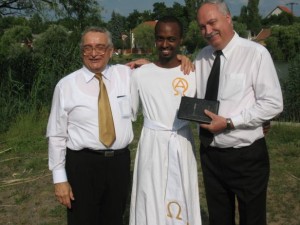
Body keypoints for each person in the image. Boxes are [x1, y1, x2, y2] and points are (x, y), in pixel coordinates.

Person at [195, 1, 283, 225]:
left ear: (228, 18)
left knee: (252, 220)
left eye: (212, 22)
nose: (207, 31)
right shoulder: (201, 57)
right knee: (219, 219)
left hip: (246, 157)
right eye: (202, 26)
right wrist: (152, 65)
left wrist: (231, 122)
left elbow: (273, 103)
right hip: (210, 155)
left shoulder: (255, 53)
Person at [46, 27, 133, 225]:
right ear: (81, 52)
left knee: (114, 218)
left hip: (119, 163)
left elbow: (160, 71)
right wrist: (59, 179)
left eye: (100, 47)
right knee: (82, 219)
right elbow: (57, 135)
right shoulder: (66, 85)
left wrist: (181, 58)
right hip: (82, 165)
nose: (94, 54)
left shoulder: (126, 75)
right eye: (88, 48)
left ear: (111, 51)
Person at [129, 16, 202, 225]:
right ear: (154, 39)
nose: (165, 44)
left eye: (171, 39)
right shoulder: (140, 75)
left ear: (180, 40)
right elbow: (130, 110)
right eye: (160, 38)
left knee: (182, 189)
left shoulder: (192, 72)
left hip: (181, 141)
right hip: (152, 144)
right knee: (150, 192)